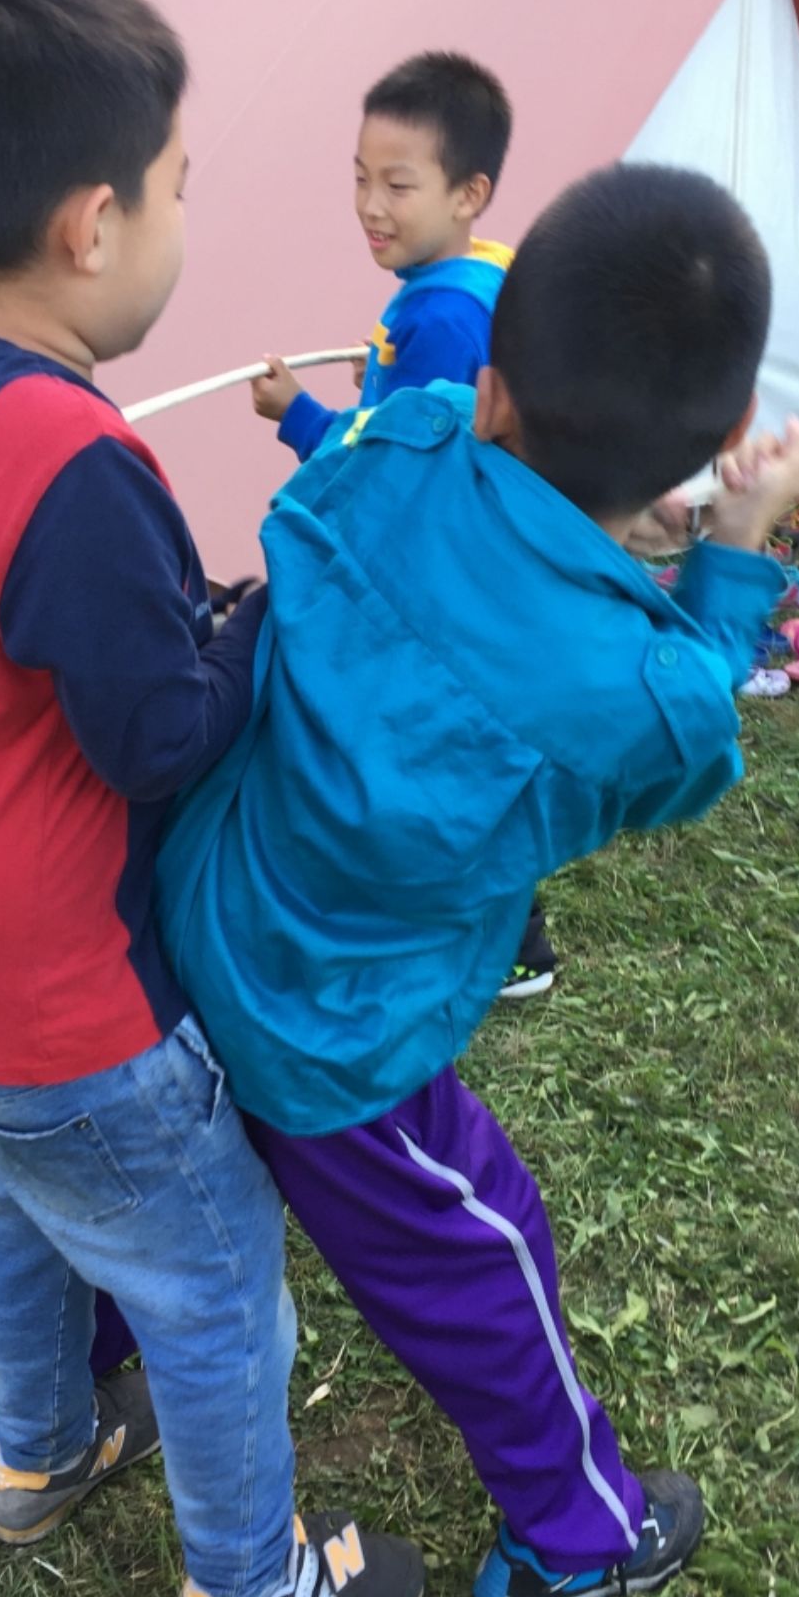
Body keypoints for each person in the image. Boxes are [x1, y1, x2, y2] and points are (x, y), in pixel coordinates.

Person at [0, 0, 424, 1597]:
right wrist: (259, 616)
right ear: (92, 225)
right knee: (210, 1272)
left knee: (15, 1209)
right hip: (63, 1009)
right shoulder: (76, 460)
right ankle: (245, 1588)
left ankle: (34, 1450)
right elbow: (159, 736)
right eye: (177, 188)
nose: (185, 221)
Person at [157, 163, 799, 1597]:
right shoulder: (640, 690)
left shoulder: (397, 436)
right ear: (707, 448)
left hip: (189, 918)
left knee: (160, 1197)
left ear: (496, 385)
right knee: (481, 1240)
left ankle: (73, 1387)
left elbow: (370, 473)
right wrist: (730, 549)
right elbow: (691, 736)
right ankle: (575, 1538)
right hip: (328, 1037)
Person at [250, 50, 557, 999]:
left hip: (435, 574)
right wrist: (382, 374)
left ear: (469, 193)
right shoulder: (478, 272)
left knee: (431, 752)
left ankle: (498, 940)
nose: (369, 206)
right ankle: (498, 931)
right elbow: (434, 403)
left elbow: (392, 466)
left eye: (396, 185)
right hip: (480, 559)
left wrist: (300, 416)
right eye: (358, 179)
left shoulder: (440, 317)